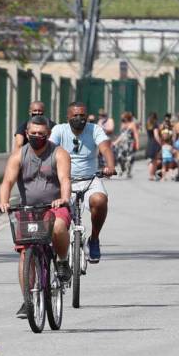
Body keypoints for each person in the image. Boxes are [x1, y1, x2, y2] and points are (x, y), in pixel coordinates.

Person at [0, 116, 74, 318]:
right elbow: (7, 182)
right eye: (33, 134)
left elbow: (65, 179)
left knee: (58, 227)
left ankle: (62, 261)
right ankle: (27, 300)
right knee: (25, 255)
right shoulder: (18, 156)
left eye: (42, 134)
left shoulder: (59, 153)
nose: (37, 137)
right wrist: (3, 201)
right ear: (26, 134)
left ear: (48, 135)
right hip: (28, 209)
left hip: (55, 206)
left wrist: (64, 199)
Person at [50, 102, 115, 263]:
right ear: (68, 117)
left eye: (82, 115)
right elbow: (49, 148)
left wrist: (110, 166)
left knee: (99, 200)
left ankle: (94, 239)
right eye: (75, 115)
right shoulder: (59, 130)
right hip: (64, 181)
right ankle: (61, 258)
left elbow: (105, 147)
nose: (79, 118)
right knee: (59, 222)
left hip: (89, 180)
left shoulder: (94, 129)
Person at [145, 112, 162, 181]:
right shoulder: (155, 125)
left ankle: (152, 174)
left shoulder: (148, 125)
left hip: (149, 142)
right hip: (154, 143)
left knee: (152, 160)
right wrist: (160, 143)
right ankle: (151, 175)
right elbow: (156, 135)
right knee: (153, 160)